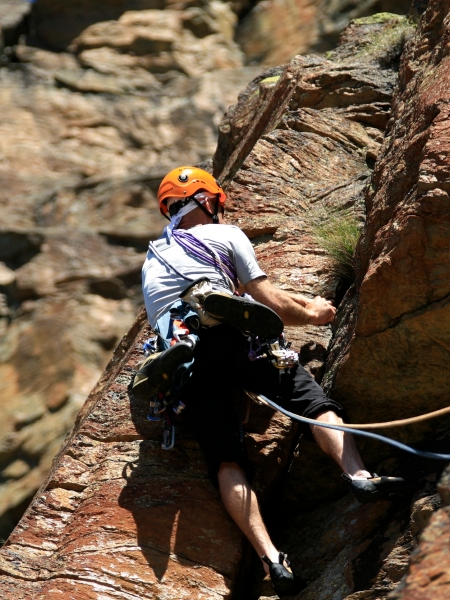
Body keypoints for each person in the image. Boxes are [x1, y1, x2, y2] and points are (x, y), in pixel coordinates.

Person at [130, 166, 403, 596]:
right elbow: (272, 300)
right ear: (208, 199)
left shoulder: (152, 259)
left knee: (226, 458)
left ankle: (271, 559)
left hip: (190, 364)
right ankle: (358, 474)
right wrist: (314, 312)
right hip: (240, 343)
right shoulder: (226, 235)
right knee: (311, 400)